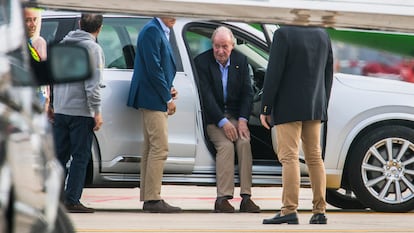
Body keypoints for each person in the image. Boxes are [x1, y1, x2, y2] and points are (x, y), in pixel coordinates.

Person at [260, 25, 333, 224]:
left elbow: (273, 74)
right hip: (314, 105)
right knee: (315, 157)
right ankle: (320, 211)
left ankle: (289, 210)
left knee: (289, 157)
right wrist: (322, 104)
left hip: (287, 106)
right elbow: (328, 73)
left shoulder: (283, 34)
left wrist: (266, 107)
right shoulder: (322, 34)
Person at [194, 26, 260, 213]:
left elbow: (247, 94)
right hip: (214, 119)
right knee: (226, 146)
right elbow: (206, 98)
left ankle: (246, 197)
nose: (220, 51)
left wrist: (242, 120)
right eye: (216, 46)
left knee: (244, 142)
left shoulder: (241, 60)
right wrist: (223, 122)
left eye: (224, 46)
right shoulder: (202, 62)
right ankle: (222, 198)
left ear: (232, 46)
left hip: (235, 116)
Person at [126, 17, 181, 213]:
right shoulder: (152, 30)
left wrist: (170, 87)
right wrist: (167, 97)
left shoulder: (159, 29)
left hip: (154, 95)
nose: (174, 15)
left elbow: (160, 68)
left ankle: (149, 197)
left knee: (150, 147)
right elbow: (153, 68)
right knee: (160, 147)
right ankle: (153, 198)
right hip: (152, 98)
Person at [52, 13, 105, 213]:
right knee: (80, 156)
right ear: (100, 28)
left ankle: (54, 198)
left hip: (61, 109)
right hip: (81, 112)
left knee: (58, 157)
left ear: (80, 23)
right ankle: (72, 199)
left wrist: (53, 106)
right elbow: (92, 85)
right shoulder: (93, 48)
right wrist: (96, 112)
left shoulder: (63, 44)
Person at [24, 7, 50, 109]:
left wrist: (47, 98)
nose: (33, 25)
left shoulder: (32, 43)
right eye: (28, 20)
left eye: (35, 19)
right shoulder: (16, 46)